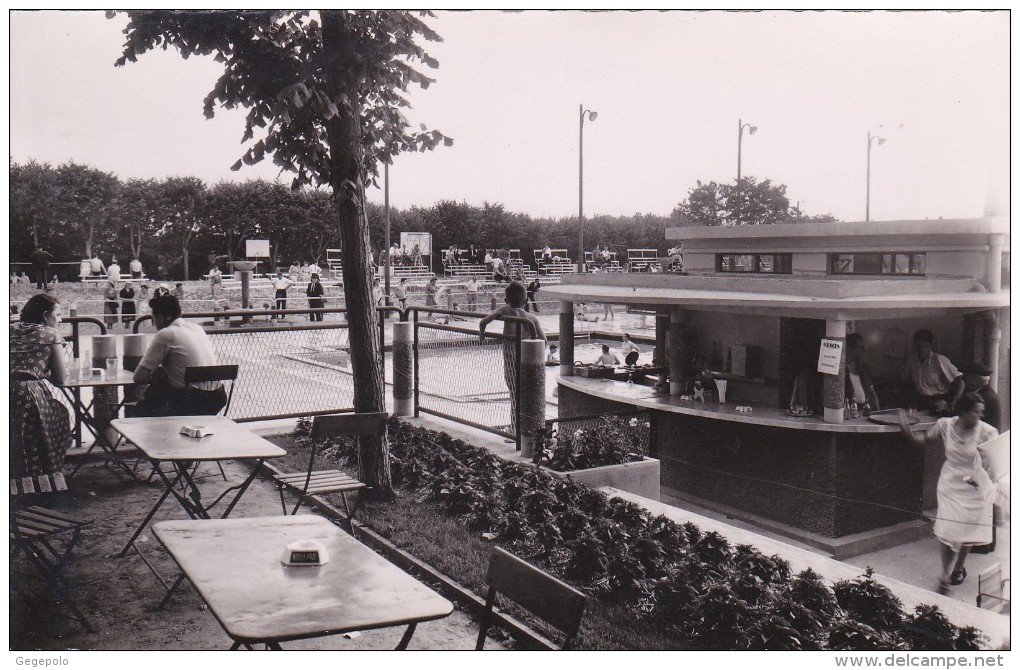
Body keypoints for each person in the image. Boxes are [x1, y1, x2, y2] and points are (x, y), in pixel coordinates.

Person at [898, 394, 1001, 595]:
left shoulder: (987, 432)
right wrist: (907, 432)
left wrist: (986, 480)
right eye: (975, 411)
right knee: (948, 530)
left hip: (975, 487)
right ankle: (944, 575)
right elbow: (924, 440)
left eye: (982, 411)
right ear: (963, 411)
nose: (980, 415)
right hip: (950, 484)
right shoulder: (945, 425)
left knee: (967, 530)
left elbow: (997, 463)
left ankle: (959, 567)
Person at [131, 294, 226, 416]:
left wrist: (155, 376)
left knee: (143, 410)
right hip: (217, 397)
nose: (154, 323)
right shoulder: (197, 329)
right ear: (179, 314)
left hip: (189, 401)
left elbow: (138, 377)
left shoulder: (165, 334)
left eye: (152, 319)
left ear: (160, 318)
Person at [10, 293, 72, 480]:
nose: (60, 320)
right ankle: (42, 478)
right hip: (28, 392)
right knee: (54, 421)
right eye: (58, 315)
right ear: (45, 315)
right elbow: (61, 378)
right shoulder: (51, 334)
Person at [479, 281, 545, 433]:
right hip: (527, 361)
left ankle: (515, 428)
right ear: (526, 300)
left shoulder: (504, 310)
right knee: (528, 395)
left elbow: (483, 322)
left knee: (514, 395)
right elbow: (544, 340)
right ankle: (528, 428)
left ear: (506, 300)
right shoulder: (531, 318)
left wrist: (482, 337)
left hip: (510, 361)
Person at [902, 329, 964, 415]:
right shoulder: (912, 362)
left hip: (940, 402)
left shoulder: (939, 360)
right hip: (921, 402)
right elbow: (906, 381)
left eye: (925, 346)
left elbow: (961, 382)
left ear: (930, 346)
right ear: (914, 346)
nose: (922, 350)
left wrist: (953, 402)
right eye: (919, 346)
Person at [960, 362, 1000, 431]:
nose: (964, 380)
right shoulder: (983, 392)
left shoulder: (986, 397)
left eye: (966, 377)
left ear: (975, 380)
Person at [845, 333, 880, 412]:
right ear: (850, 348)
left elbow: (872, 392)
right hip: (852, 413)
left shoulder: (863, 368)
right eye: (860, 347)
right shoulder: (842, 371)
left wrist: (878, 412)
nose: (863, 350)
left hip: (868, 412)